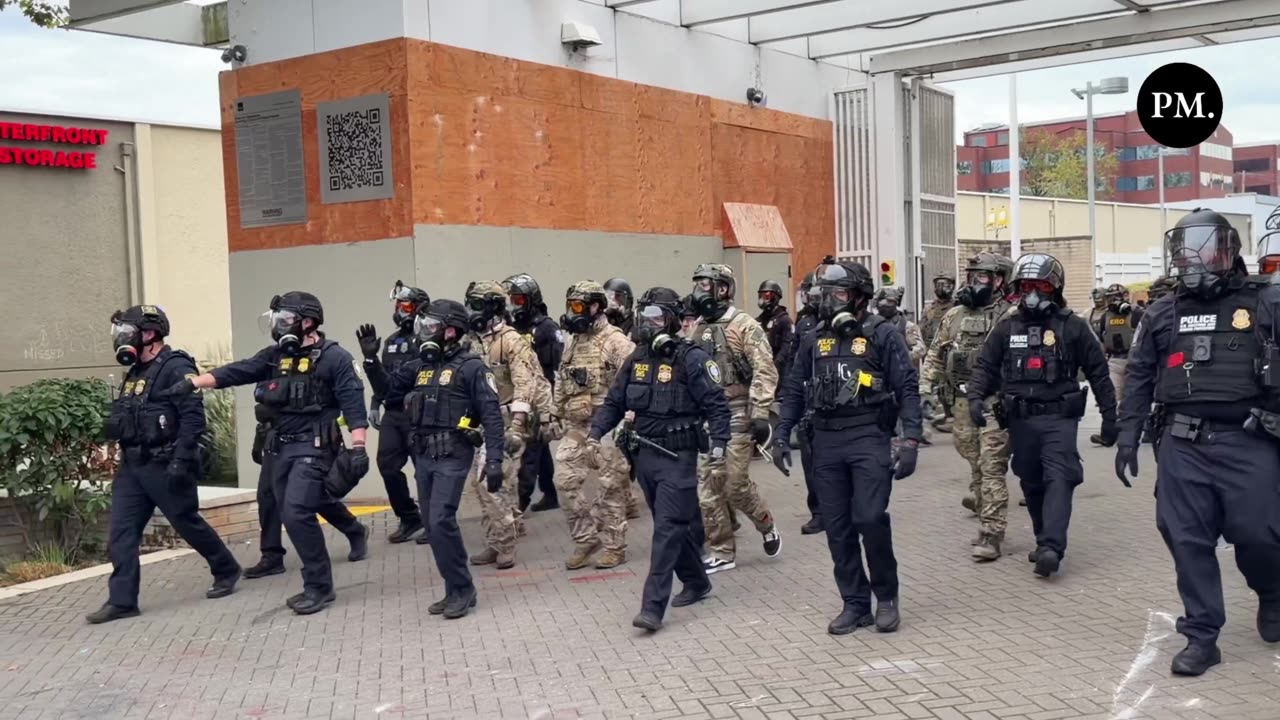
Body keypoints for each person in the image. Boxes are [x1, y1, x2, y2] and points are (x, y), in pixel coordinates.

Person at [1116, 209, 1280, 676]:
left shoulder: (1266, 303)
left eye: (1205, 248)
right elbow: (1140, 375)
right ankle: (1202, 636)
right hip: (1182, 442)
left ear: (1228, 252)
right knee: (1186, 539)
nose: (1193, 258)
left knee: (1259, 533)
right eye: (1184, 250)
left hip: (1249, 439)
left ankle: (1271, 592)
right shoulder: (1162, 312)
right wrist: (1128, 433)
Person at [167, 292, 371, 615]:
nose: (279, 327)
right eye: (277, 320)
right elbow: (239, 371)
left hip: (315, 447)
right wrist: (195, 382)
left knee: (296, 512)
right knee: (282, 505)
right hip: (280, 446)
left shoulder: (336, 358)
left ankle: (319, 586)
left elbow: (354, 406)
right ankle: (318, 572)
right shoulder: (274, 357)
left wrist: (358, 447)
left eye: (286, 320)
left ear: (308, 323)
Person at [772, 260, 921, 635]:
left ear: (859, 297)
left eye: (839, 293)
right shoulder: (812, 338)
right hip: (826, 441)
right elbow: (793, 389)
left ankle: (886, 597)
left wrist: (910, 439)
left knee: (869, 518)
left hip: (869, 435)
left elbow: (906, 388)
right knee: (837, 528)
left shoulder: (882, 334)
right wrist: (780, 433)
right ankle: (855, 603)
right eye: (825, 294)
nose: (830, 302)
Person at [589, 287, 731, 631]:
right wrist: (595, 433)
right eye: (646, 317)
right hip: (645, 455)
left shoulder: (692, 358)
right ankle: (697, 582)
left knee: (666, 529)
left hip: (679, 455)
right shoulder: (636, 358)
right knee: (674, 525)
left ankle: (653, 607)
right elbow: (614, 402)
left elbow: (717, 404)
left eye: (657, 317)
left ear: (673, 321)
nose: (649, 324)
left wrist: (719, 447)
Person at [87, 305, 241, 624]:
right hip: (134, 466)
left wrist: (181, 460)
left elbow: (192, 417)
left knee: (186, 522)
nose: (121, 340)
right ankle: (123, 601)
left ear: (149, 334)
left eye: (127, 333)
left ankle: (226, 568)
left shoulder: (175, 366)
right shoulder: (135, 372)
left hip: (166, 461)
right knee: (122, 533)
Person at [966, 254, 1116, 579]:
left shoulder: (1073, 326)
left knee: (1059, 477)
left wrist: (1110, 417)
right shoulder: (1007, 327)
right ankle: (1041, 540)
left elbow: (1099, 373)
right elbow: (985, 366)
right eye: (1027, 286)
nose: (1032, 294)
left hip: (1059, 419)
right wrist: (975, 398)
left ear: (1055, 289)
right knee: (1031, 482)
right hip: (1020, 421)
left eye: (1041, 286)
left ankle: (1052, 547)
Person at [364, 299, 506, 619]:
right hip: (424, 454)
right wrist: (372, 361)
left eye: (431, 327)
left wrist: (495, 459)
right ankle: (455, 588)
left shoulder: (472, 367)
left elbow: (492, 417)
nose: (424, 333)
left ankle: (464, 588)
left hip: (453, 453)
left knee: (441, 520)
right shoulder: (419, 366)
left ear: (452, 331)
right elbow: (389, 392)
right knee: (432, 524)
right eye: (423, 327)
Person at [919, 253, 1014, 561]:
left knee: (991, 466)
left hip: (993, 401)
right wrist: (925, 390)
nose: (974, 282)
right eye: (971, 275)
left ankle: (991, 532)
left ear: (999, 280)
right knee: (973, 460)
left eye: (982, 276)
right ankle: (983, 500)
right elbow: (935, 353)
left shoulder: (1009, 315)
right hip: (961, 400)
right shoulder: (955, 314)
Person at [689, 263, 781, 574]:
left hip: (739, 412)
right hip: (708, 418)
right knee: (708, 485)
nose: (701, 291)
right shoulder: (697, 328)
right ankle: (721, 551)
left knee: (735, 485)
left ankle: (765, 521)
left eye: (707, 285)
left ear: (724, 289)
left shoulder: (744, 325)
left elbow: (765, 369)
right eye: (698, 284)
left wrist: (760, 412)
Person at [462, 280, 553, 569]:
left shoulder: (512, 341)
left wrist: (517, 426)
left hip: (511, 418)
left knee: (491, 481)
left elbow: (525, 386)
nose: (470, 310)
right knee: (494, 483)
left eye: (476, 305)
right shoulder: (474, 341)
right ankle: (499, 538)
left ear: (493, 308)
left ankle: (506, 546)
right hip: (485, 420)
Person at [552, 280, 637, 569]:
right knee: (564, 480)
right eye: (570, 306)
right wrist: (557, 412)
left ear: (595, 307)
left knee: (610, 485)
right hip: (578, 423)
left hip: (608, 424)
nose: (572, 312)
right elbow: (562, 379)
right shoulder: (574, 342)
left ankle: (615, 546)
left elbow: (634, 380)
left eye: (578, 306)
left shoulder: (615, 341)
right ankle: (586, 538)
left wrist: (628, 420)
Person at [360, 281, 428, 544]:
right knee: (387, 466)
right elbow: (385, 380)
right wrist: (375, 403)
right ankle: (410, 517)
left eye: (406, 305)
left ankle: (436, 522)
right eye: (397, 305)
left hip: (419, 414)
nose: (400, 310)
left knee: (424, 469)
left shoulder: (428, 339)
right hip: (394, 413)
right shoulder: (389, 342)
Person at [503, 273, 562, 513]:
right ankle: (550, 494)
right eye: (512, 300)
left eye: (518, 300)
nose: (514, 305)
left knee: (529, 451)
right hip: (519, 395)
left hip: (540, 397)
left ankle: (521, 500)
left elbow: (559, 365)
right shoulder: (511, 329)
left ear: (530, 300)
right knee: (540, 448)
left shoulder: (547, 328)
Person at [1091, 283, 1144, 446]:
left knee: (1135, 399)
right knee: (1110, 398)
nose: (1114, 301)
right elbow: (1101, 338)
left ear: (1126, 296)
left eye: (1117, 296)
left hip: (1135, 360)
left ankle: (1137, 432)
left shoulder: (1137, 313)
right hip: (1114, 360)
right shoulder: (1105, 317)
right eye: (1110, 297)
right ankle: (1108, 434)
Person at [793, 270, 824, 535]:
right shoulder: (803, 323)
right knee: (809, 461)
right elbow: (795, 358)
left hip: (833, 402)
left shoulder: (838, 323)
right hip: (807, 400)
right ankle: (818, 511)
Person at [756, 280, 795, 381]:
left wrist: (775, 366)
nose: (763, 299)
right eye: (762, 296)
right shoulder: (758, 321)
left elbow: (787, 346)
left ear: (776, 297)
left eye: (767, 296)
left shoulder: (784, 320)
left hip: (779, 373)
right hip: (761, 371)